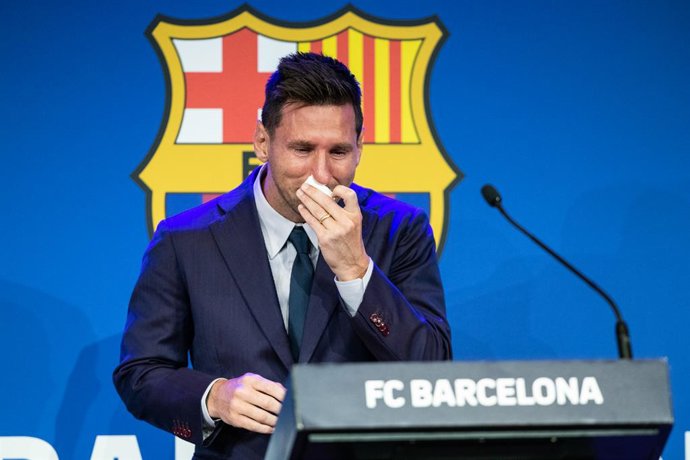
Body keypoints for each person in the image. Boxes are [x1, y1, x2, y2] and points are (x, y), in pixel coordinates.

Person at [114, 52, 451, 459]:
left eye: (339, 152)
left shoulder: (400, 230)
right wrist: (215, 397)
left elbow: (432, 372)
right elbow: (141, 372)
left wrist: (356, 271)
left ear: (360, 148)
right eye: (302, 149)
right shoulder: (186, 239)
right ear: (262, 142)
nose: (322, 174)